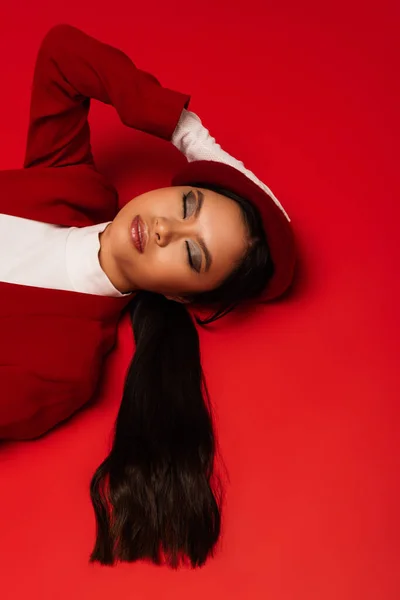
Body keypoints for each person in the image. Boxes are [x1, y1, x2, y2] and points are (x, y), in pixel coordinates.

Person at [0, 24, 296, 567]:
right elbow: (62, 53)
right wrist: (189, 133)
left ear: (183, 299)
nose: (164, 230)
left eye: (191, 256)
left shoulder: (66, 365)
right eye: (186, 205)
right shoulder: (72, 186)